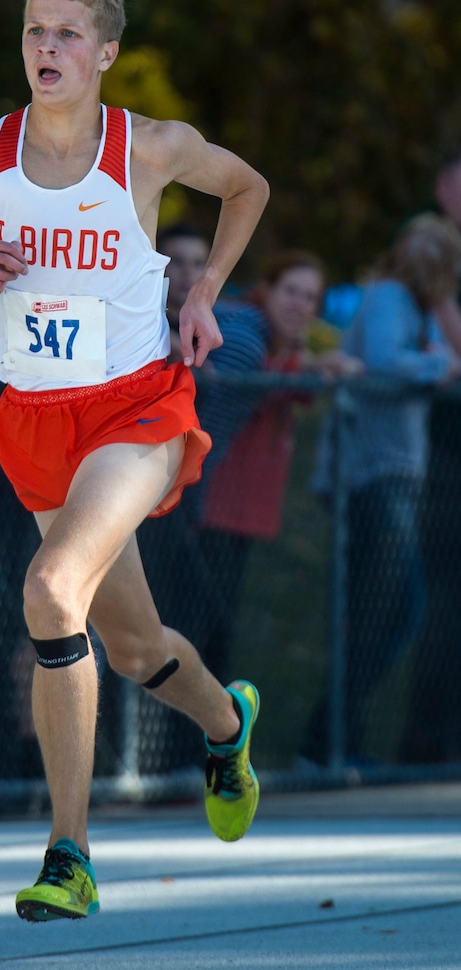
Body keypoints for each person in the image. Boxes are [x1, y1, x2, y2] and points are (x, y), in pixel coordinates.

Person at [0, 0, 270, 921]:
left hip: (136, 409)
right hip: (34, 421)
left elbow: (248, 187)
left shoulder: (146, 147)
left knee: (52, 589)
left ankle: (70, 854)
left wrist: (205, 288)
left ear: (104, 54)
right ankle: (229, 725)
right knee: (135, 647)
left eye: (66, 33)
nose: (46, 48)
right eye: (33, 31)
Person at [300, 213, 461, 769]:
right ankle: (325, 740)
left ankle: (337, 739)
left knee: (383, 610)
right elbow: (389, 363)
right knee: (395, 606)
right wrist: (437, 363)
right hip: (369, 471)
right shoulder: (391, 293)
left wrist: (439, 357)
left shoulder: (418, 305)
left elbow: (443, 359)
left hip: (392, 471)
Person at [190, 249, 358, 686]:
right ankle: (181, 750)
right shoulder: (245, 330)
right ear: (268, 289)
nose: (299, 304)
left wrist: (308, 365)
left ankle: (206, 747)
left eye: (310, 297)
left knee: (215, 634)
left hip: (232, 511)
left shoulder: (284, 343)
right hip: (204, 504)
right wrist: (308, 366)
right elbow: (245, 372)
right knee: (195, 632)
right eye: (291, 291)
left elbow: (288, 388)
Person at [397, 151, 461, 764]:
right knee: (436, 599)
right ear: (443, 185)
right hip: (438, 453)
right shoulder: (429, 238)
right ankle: (425, 742)